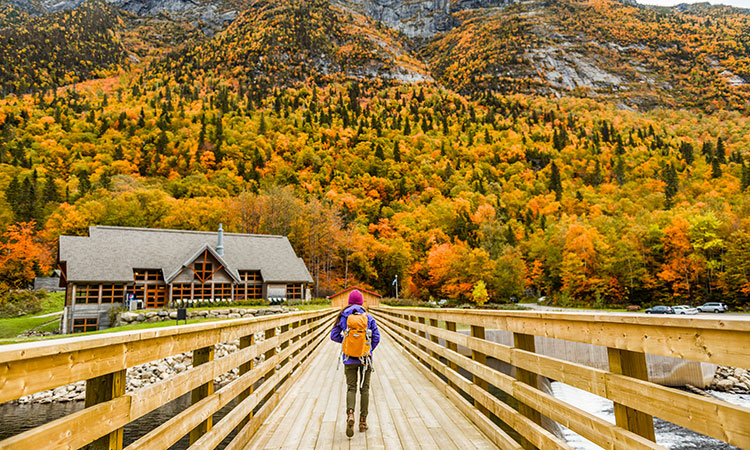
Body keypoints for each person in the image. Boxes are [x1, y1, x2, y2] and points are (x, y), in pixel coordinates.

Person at [330, 289, 380, 437]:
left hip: (348, 358)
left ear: (349, 302)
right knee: (364, 389)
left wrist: (346, 344)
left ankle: (350, 414)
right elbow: (376, 337)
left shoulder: (343, 316)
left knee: (351, 387)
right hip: (365, 359)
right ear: (361, 302)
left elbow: (333, 335)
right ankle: (363, 421)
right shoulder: (368, 317)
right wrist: (368, 349)